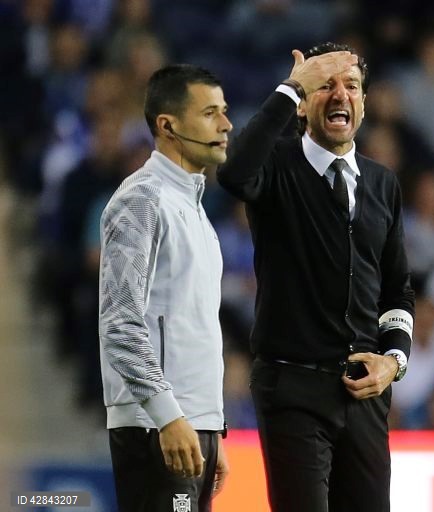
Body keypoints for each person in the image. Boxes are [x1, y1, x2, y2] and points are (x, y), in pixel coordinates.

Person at [217, 42, 415, 512]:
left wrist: (394, 361)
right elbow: (233, 172)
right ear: (303, 105)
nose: (339, 95)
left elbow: (397, 290)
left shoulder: (383, 183)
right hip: (292, 386)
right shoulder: (275, 165)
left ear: (364, 104)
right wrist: (289, 87)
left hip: (365, 394)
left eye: (351, 86)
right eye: (324, 85)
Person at [98, 64, 232, 512]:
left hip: (192, 425)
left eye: (225, 112)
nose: (226, 125)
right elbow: (120, 322)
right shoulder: (142, 199)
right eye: (210, 112)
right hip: (155, 426)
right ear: (168, 125)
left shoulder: (195, 211)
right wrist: (168, 415)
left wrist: (212, 426)